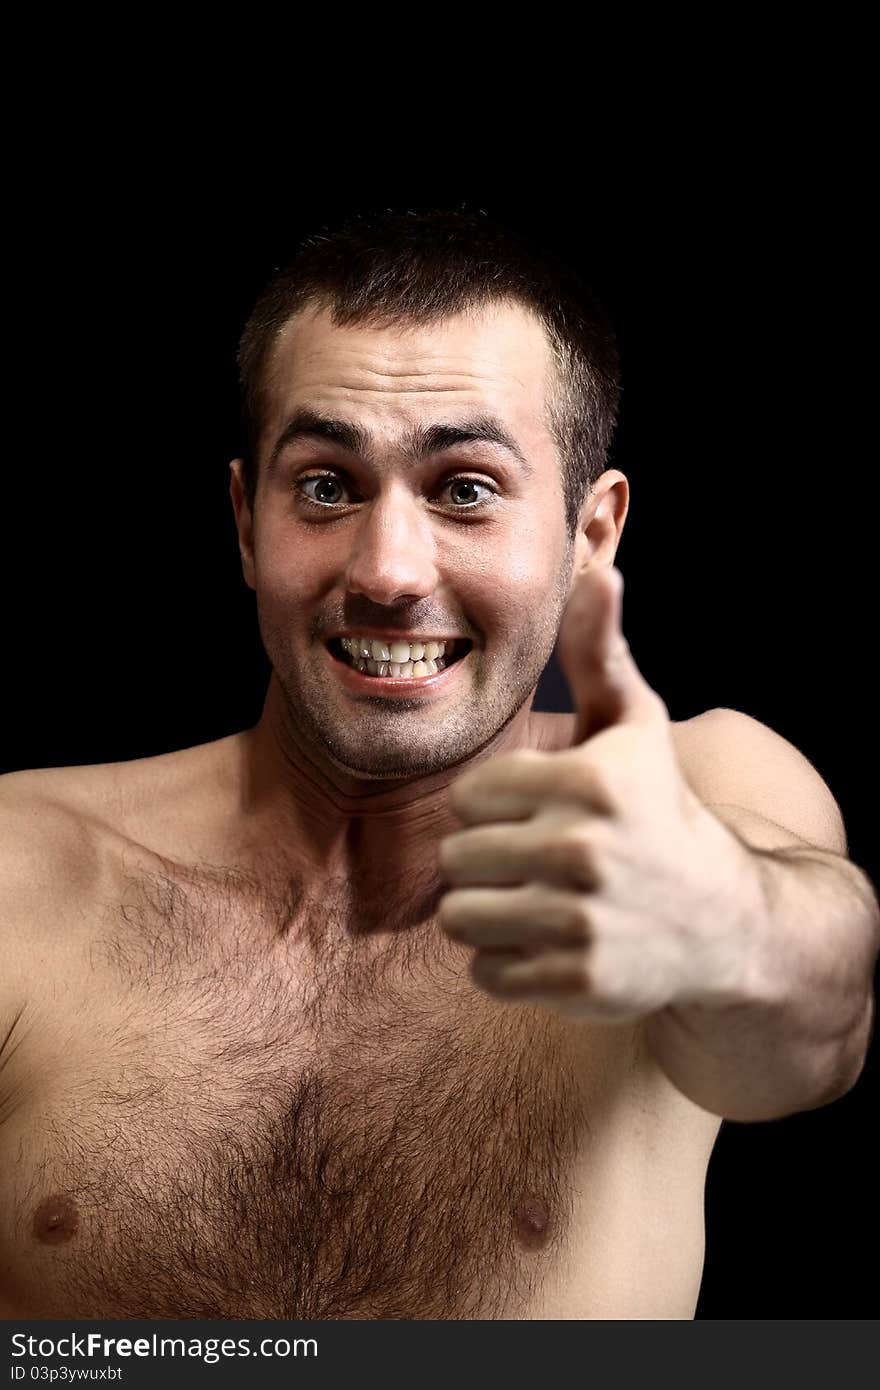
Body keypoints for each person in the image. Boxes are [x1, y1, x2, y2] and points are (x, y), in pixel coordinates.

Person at [1, 209, 877, 1321]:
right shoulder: (19, 864)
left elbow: (813, 1028)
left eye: (464, 487)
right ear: (242, 520)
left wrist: (721, 918)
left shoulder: (699, 795)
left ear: (590, 536)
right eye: (326, 485)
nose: (387, 569)